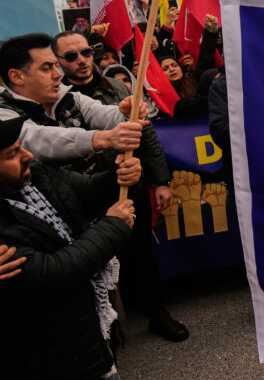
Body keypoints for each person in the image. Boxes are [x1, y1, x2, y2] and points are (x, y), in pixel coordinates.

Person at [52, 31, 186, 341]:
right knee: (92, 260)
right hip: (82, 196)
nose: (82, 60)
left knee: (140, 254)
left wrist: (161, 181)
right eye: (71, 56)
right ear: (58, 63)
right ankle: (106, 329)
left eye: (86, 52)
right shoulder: (55, 98)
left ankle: (157, 314)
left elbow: (146, 134)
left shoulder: (116, 87)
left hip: (128, 185)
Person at [0, 115, 141, 379]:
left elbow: (87, 191)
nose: (27, 155)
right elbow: (52, 272)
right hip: (47, 355)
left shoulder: (37, 176)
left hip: (88, 334)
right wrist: (113, 226)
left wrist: (119, 175)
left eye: (21, 147)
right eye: (11, 154)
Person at [0, 33, 145, 170]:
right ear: (17, 77)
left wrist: (125, 113)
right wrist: (101, 139)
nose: (57, 74)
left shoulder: (69, 97)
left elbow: (99, 112)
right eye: (46, 68)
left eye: (55, 66)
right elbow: (38, 139)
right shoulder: (5, 114)